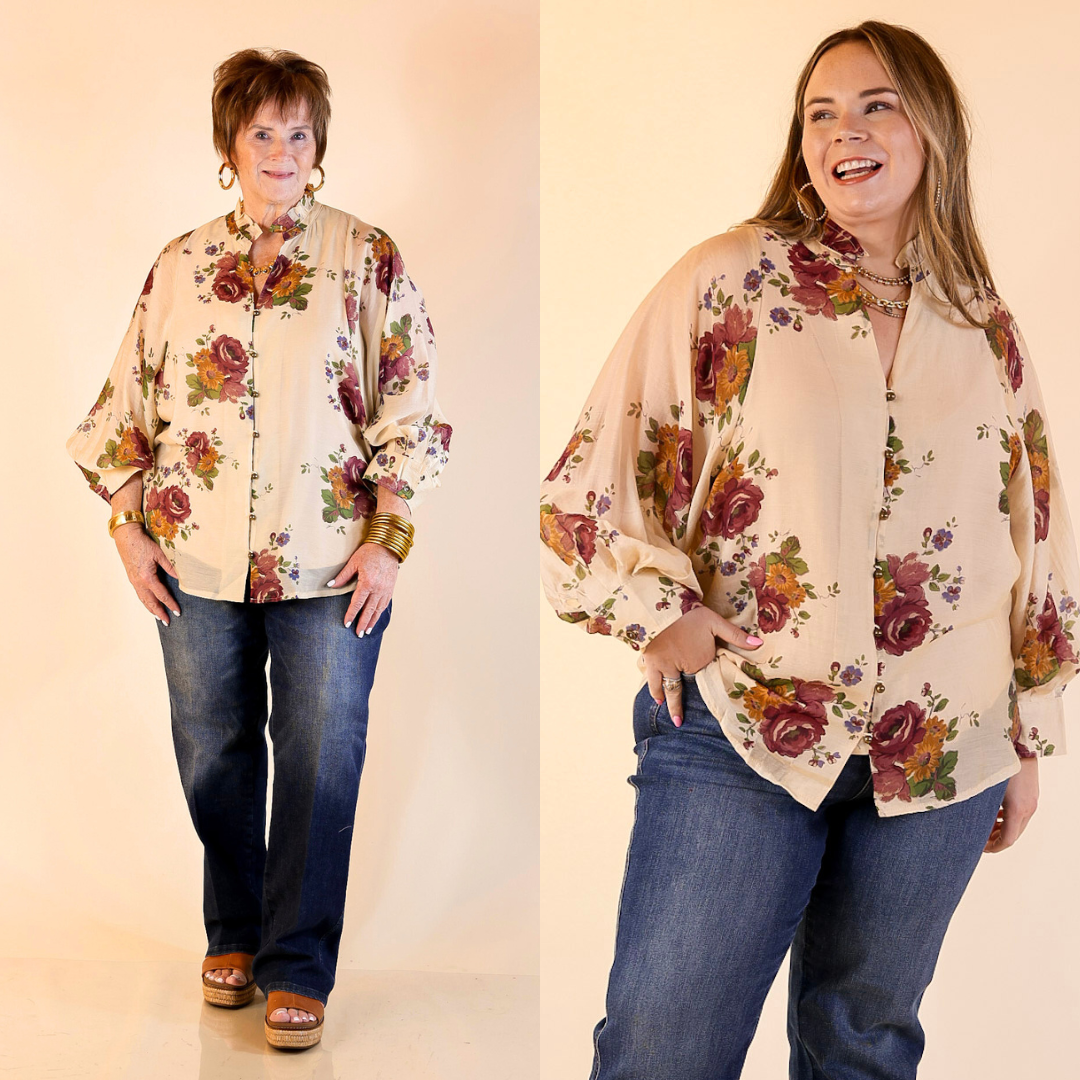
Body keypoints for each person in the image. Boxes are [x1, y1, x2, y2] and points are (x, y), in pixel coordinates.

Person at [540, 20, 1077, 1079]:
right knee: (663, 1044)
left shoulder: (984, 325)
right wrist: (660, 610)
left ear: (932, 129)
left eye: (877, 104)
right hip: (740, 727)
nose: (846, 132)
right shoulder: (730, 280)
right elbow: (584, 485)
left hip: (943, 746)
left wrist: (1028, 728)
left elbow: (1036, 534)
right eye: (821, 113)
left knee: (864, 1049)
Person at [66, 48, 451, 1050]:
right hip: (190, 562)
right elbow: (124, 411)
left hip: (333, 564)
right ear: (229, 145)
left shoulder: (369, 258)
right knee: (216, 752)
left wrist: (390, 541)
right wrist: (124, 526)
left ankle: (298, 966)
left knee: (322, 756)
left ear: (319, 146)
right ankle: (233, 934)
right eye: (261, 131)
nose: (279, 149)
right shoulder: (181, 263)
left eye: (297, 132)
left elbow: (412, 404)